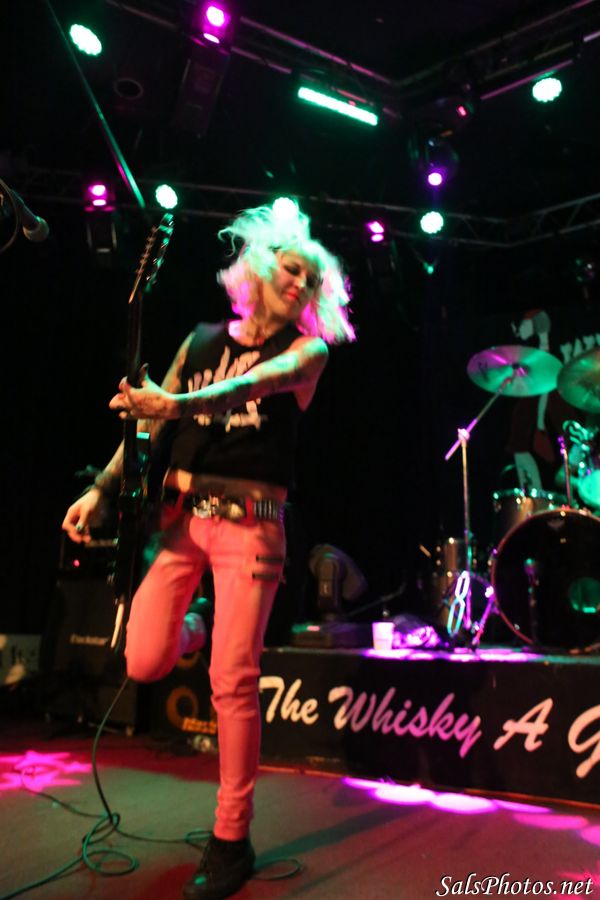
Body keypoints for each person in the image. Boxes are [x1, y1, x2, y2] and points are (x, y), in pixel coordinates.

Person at [62, 198, 356, 900]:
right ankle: (199, 625)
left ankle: (231, 838)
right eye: (292, 269)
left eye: (312, 281)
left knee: (233, 679)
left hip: (253, 527)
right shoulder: (197, 341)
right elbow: (148, 424)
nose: (301, 285)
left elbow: (249, 387)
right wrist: (102, 488)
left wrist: (176, 405)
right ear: (259, 266)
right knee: (144, 659)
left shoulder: (307, 353)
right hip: (180, 520)